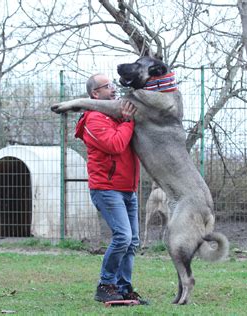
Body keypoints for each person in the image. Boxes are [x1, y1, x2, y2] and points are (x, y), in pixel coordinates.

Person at [74, 73, 148, 304]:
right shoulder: (94, 119)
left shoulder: (116, 116)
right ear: (95, 94)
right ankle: (105, 285)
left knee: (133, 241)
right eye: (107, 87)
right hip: (106, 188)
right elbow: (115, 145)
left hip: (128, 188)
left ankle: (123, 288)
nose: (113, 90)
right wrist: (127, 122)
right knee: (123, 237)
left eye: (112, 85)